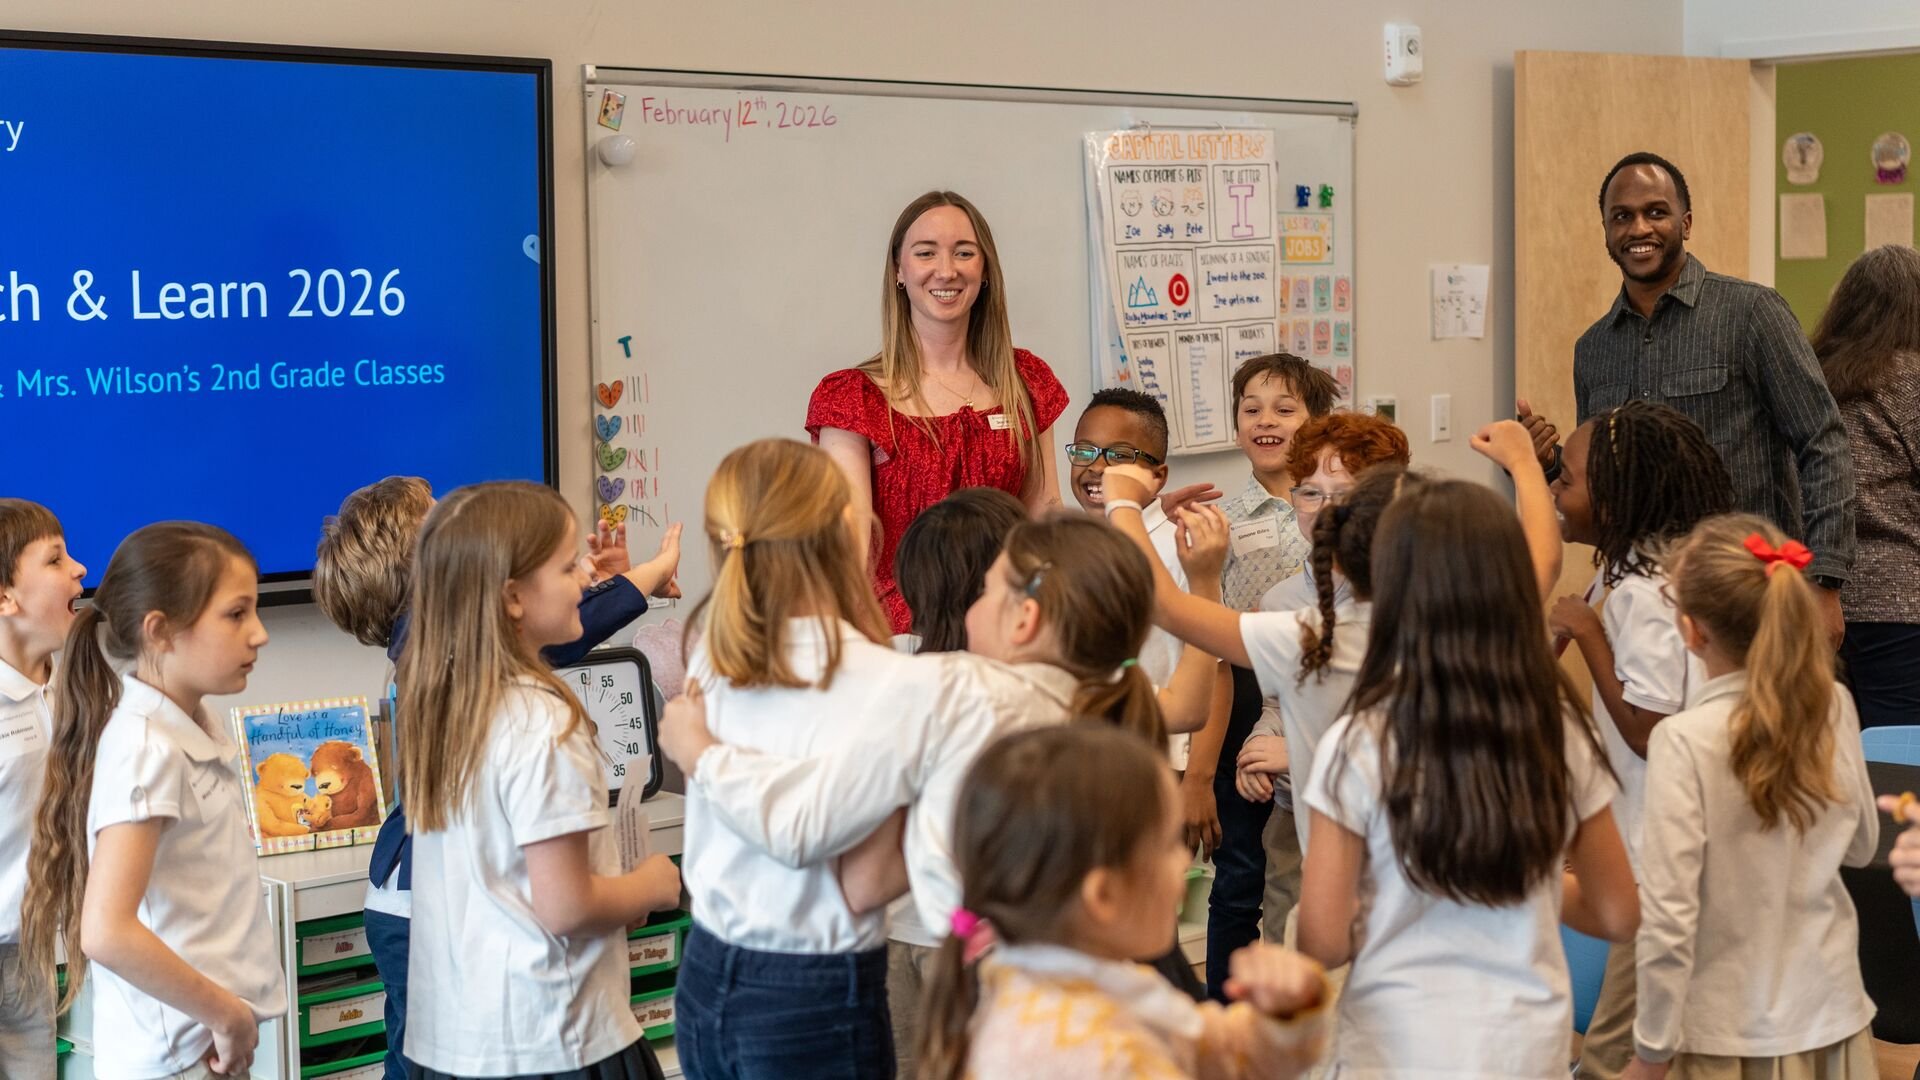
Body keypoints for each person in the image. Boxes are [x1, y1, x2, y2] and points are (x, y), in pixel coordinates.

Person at [660, 505, 1200, 1074]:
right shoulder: (1118, 715)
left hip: (1002, 992)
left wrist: (702, 753)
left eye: (985, 593)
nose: (972, 610)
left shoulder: (956, 690)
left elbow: (801, 828)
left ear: (1024, 620)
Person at [310, 476, 682, 1080]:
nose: (581, 578)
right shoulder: (471, 678)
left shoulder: (437, 669)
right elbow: (564, 904)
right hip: (501, 984)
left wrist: (620, 581)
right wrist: (649, 886)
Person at [1294, 479, 1639, 1078]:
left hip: (1393, 1049)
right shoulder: (1558, 731)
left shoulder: (1357, 744)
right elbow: (1617, 915)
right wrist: (1530, 885)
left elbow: (1322, 940)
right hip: (1524, 1049)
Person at [1517, 150, 1856, 644]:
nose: (1639, 228)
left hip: (1751, 596)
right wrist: (1546, 465)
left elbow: (1824, 445)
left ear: (1686, 222)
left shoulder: (1751, 314)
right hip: (1645, 608)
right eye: (1622, 217)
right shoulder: (1593, 349)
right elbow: (1608, 493)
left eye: (1656, 212)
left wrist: (1825, 582)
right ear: (1606, 230)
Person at [23, 523, 286, 1080]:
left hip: (205, 1047)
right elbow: (106, 931)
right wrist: (228, 1015)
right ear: (161, 632)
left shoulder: (192, 726)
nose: (259, 634)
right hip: (177, 1058)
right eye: (237, 614)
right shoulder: (146, 749)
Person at [916, 725, 1328, 1080]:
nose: (1184, 860)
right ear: (1104, 896)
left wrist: (1281, 1018)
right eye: (1168, 846)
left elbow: (1213, 1053)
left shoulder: (1075, 979)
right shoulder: (1093, 1051)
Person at [1627, 514, 1878, 1079]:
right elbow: (1861, 848)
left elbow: (1670, 918)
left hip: (1725, 1035)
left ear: (1692, 631)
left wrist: (1651, 1051)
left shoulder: (1682, 739)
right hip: (1831, 1016)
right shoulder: (1833, 706)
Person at [1540, 402, 1734, 1080]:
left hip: (1657, 858)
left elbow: (1655, 733)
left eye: (1565, 480)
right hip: (1657, 847)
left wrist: (1588, 638)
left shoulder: (1637, 597)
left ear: (1619, 499)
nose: (1554, 494)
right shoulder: (1625, 575)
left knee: (1611, 1057)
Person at [809, 190, 1069, 634]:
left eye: (964, 253)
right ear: (899, 270)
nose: (946, 270)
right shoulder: (853, 398)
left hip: (1009, 629)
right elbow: (849, 549)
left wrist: (1128, 516)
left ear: (984, 270)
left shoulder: (1025, 379)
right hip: (901, 639)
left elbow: (1043, 514)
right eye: (926, 253)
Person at [1199, 353, 1339, 999]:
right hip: (1244, 691)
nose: (1266, 420)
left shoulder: (1344, 508)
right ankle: (1226, 1018)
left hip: (1319, 694)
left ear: (1316, 422)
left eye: (1285, 408)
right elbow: (1209, 620)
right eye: (1251, 408)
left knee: (1311, 858)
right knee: (1240, 868)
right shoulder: (1223, 518)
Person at [1066, 387, 1228, 768]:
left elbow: (1217, 672)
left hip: (1161, 758)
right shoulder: (1071, 548)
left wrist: (1199, 780)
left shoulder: (1180, 548)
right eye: (1084, 451)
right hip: (1084, 754)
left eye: (1120, 456)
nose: (1098, 468)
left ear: (1158, 475)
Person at [1810, 244, 1920, 727]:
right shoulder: (1910, 378)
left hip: (1819, 594)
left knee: (1839, 759)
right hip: (1902, 605)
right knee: (1901, 770)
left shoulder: (1815, 379)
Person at [0, 501, 85, 1080]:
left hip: (36, 953)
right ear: (6, 598)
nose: (80, 569)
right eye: (55, 559)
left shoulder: (77, 694)